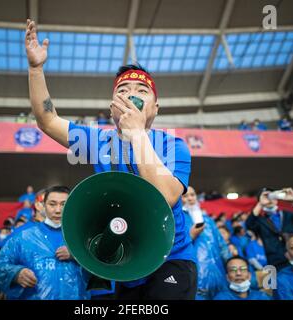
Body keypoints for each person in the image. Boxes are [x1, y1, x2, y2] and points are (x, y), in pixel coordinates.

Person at [25, 19, 196, 300]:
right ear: (111, 107)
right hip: (116, 258)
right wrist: (35, 69)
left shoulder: (173, 145)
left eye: (142, 92)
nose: (131, 95)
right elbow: (47, 120)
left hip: (170, 258)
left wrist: (137, 133)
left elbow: (166, 196)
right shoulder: (97, 141)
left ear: (156, 108)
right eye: (123, 90)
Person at [0, 186, 90, 300]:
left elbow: (100, 264)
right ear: (43, 206)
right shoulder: (23, 236)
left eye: (63, 204)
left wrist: (76, 254)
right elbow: (0, 265)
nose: (58, 210)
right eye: (52, 204)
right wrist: (16, 273)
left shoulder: (81, 237)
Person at [246, 187, 293, 270]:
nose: (270, 199)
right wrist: (260, 204)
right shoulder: (260, 220)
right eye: (266, 197)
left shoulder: (287, 215)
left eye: (272, 196)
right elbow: (249, 224)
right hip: (275, 260)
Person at [182, 186, 231, 300]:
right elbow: (175, 248)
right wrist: (191, 236)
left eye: (192, 195)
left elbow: (221, 244)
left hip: (219, 274)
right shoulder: (179, 220)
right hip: (197, 278)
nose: (190, 198)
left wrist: (230, 264)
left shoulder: (207, 220)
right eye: (185, 196)